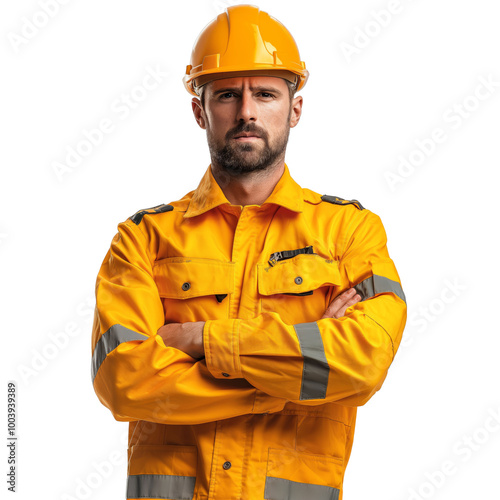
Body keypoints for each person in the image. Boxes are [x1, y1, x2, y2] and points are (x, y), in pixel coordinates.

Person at [90, 5, 407, 499]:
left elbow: (363, 364)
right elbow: (123, 380)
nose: (246, 112)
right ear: (200, 111)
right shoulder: (142, 239)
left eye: (265, 93)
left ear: (294, 109)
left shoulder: (350, 233)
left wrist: (198, 340)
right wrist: (294, 383)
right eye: (226, 95)